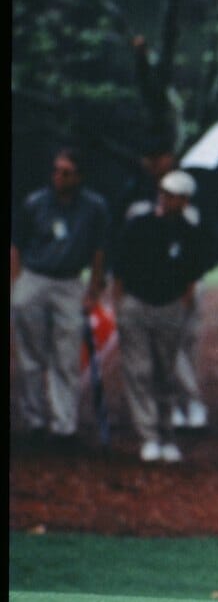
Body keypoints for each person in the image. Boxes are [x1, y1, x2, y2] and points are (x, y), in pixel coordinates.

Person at [112, 171, 218, 463]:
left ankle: (166, 433)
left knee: (166, 374)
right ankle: (148, 435)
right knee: (139, 371)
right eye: (164, 194)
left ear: (185, 200)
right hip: (137, 303)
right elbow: (119, 266)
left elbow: (194, 271)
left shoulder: (190, 233)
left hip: (169, 306)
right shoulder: (139, 225)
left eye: (173, 196)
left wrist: (183, 303)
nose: (166, 200)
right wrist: (120, 305)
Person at [11, 147, 111, 448]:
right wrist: (17, 284)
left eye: (66, 172)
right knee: (30, 357)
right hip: (35, 277)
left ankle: (63, 424)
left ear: (79, 176)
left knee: (65, 356)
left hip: (69, 281)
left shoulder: (94, 207)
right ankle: (34, 420)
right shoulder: (35, 203)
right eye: (56, 170)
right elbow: (17, 244)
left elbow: (99, 251)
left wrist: (93, 289)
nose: (59, 177)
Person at [122, 137, 209, 430]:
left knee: (184, 346)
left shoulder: (191, 198)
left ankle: (189, 402)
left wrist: (190, 284)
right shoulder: (137, 195)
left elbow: (200, 249)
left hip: (182, 284)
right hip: (151, 288)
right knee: (156, 354)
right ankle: (171, 408)